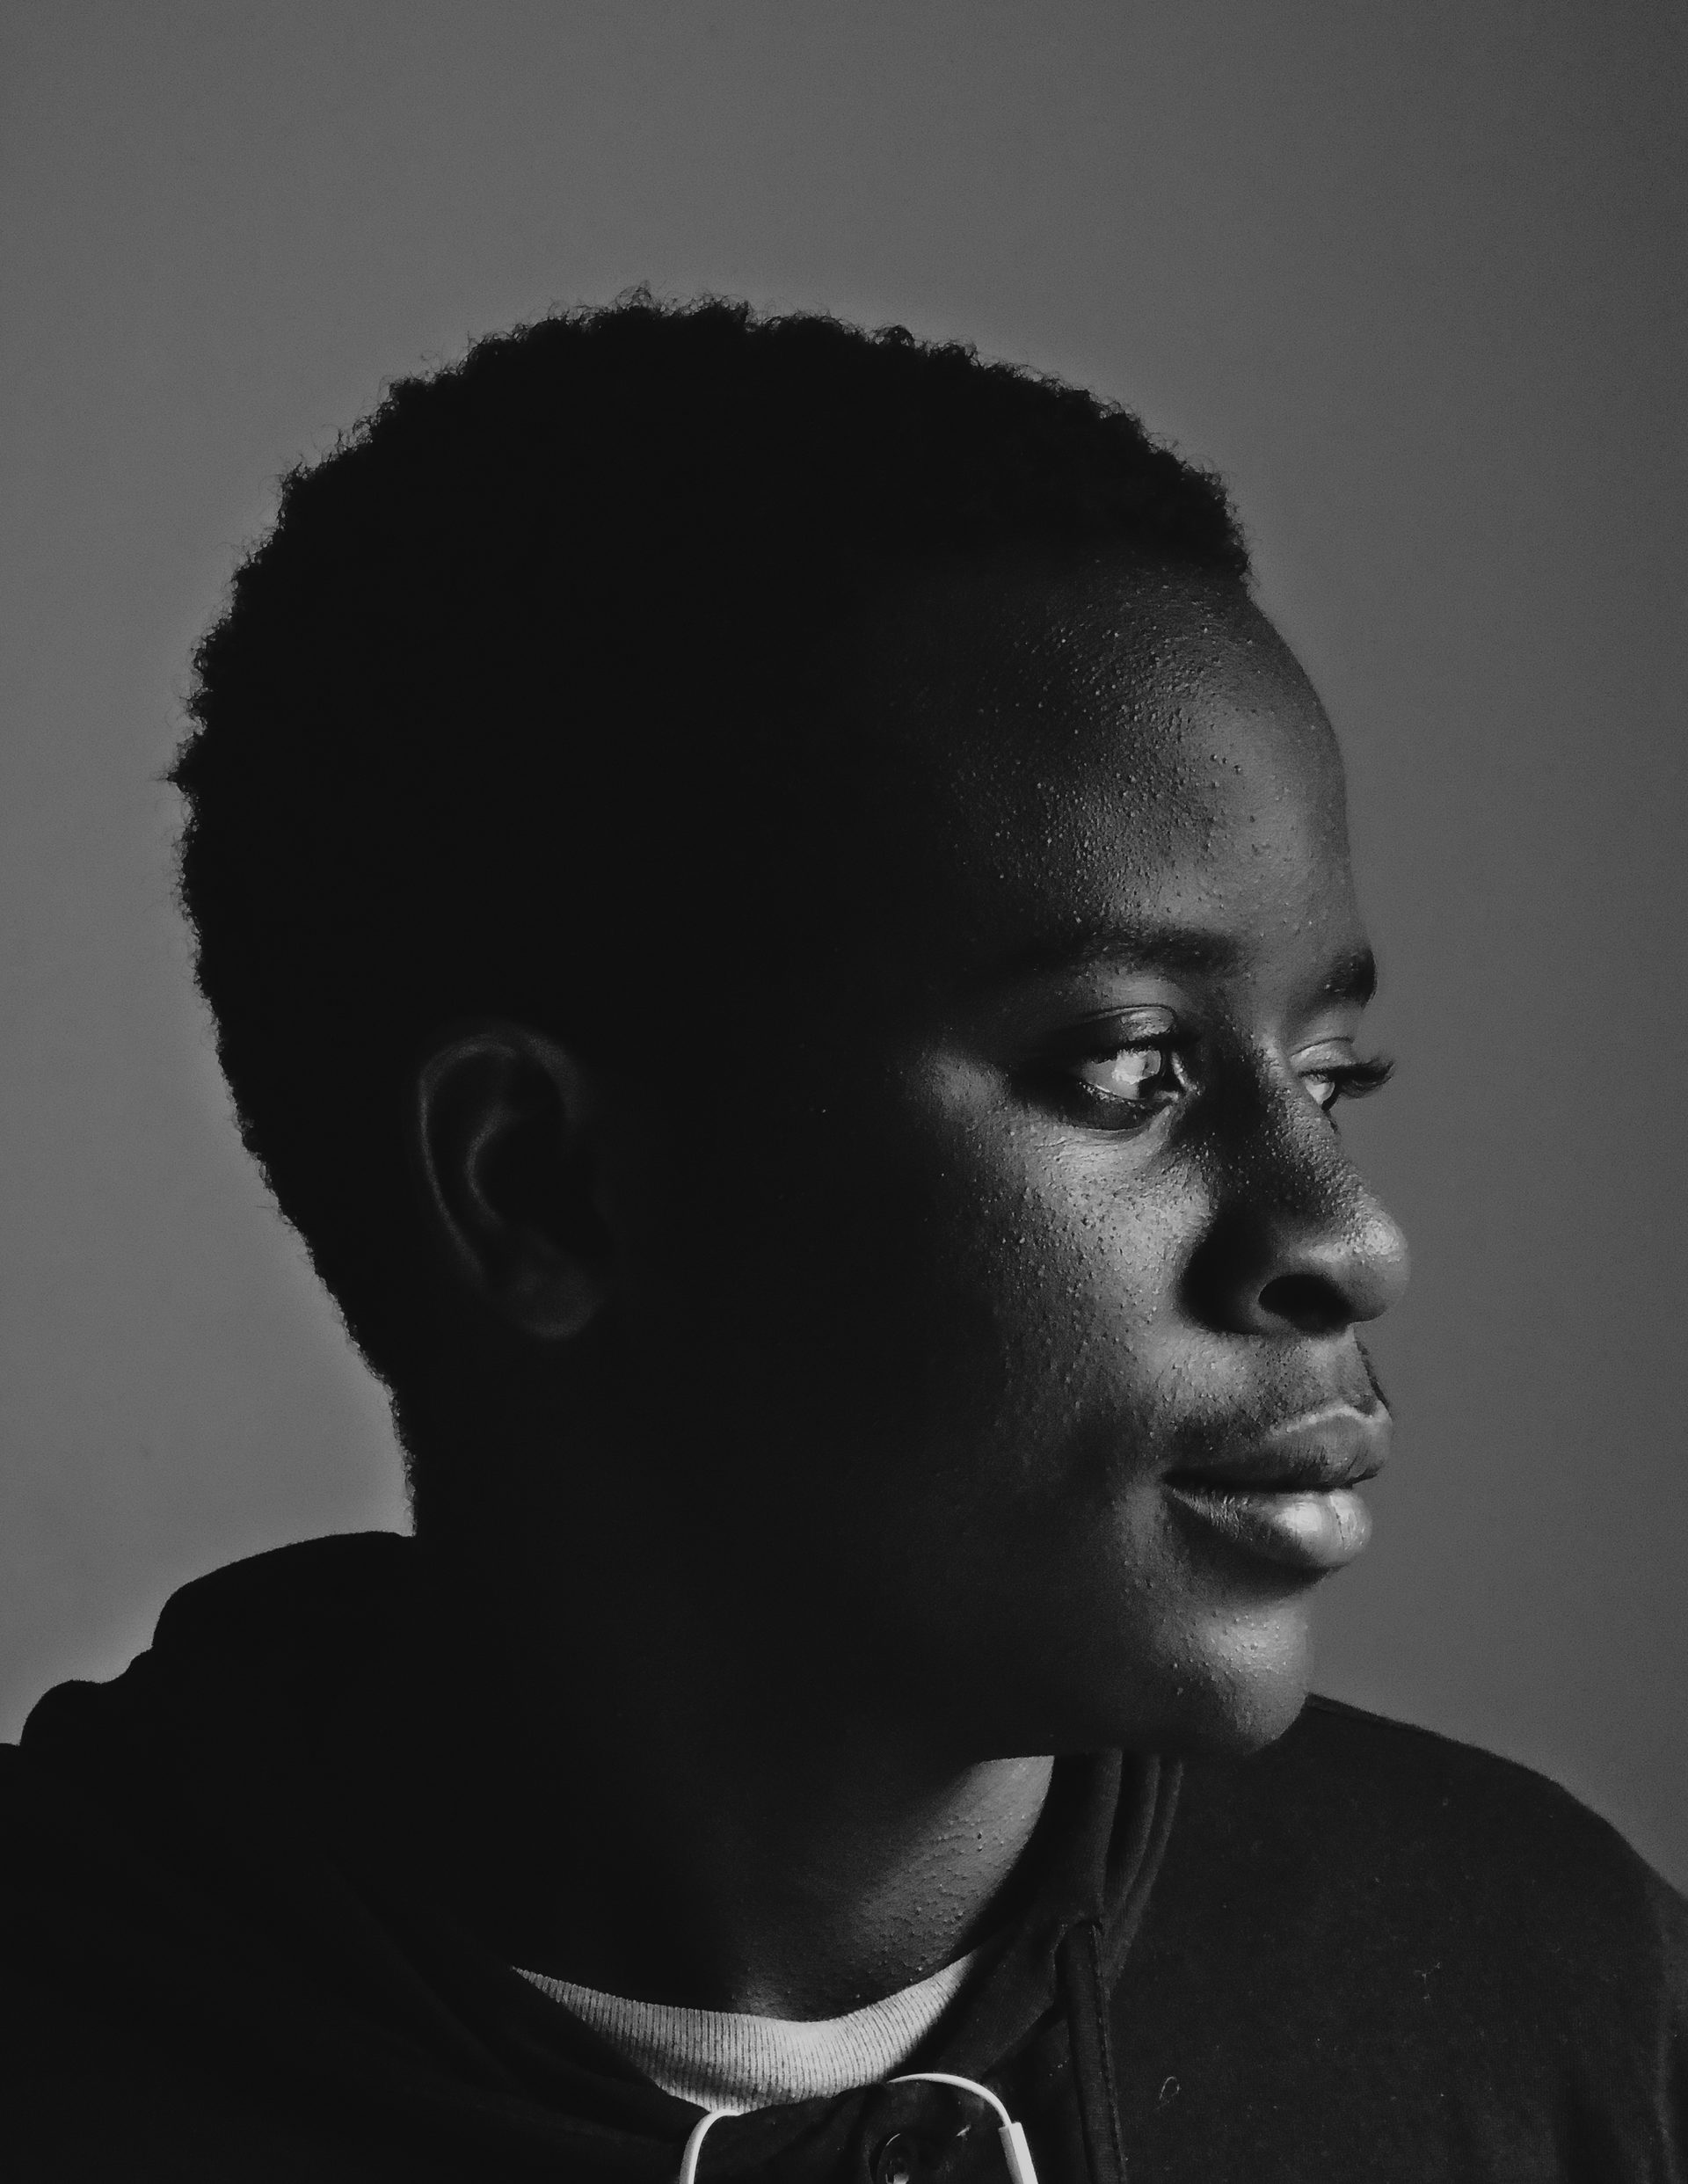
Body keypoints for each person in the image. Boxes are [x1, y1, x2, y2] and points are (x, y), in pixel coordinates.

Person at [2, 294, 1681, 2182]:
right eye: (1130, 1068)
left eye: (1329, 1073)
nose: (1347, 1239)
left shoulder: (1548, 2002)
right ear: (542, 1185)